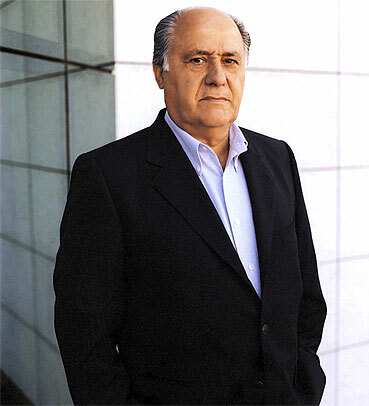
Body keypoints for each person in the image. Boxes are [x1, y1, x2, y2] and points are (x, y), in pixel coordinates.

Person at [54, 7, 326, 405]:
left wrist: (303, 386)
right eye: (198, 59)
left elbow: (305, 291)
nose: (218, 76)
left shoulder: (277, 157)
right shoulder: (108, 176)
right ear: (160, 74)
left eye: (230, 60)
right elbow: (84, 336)